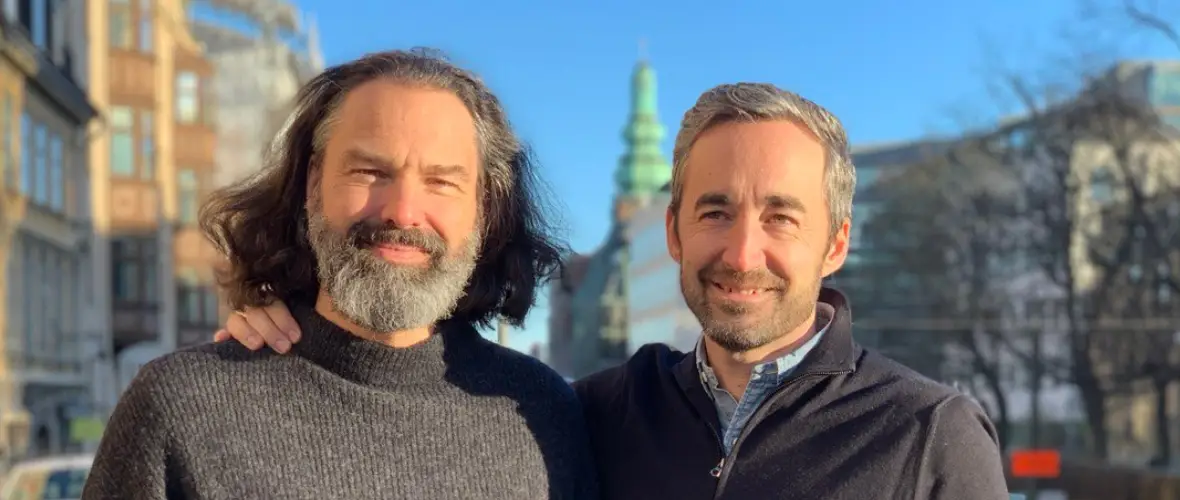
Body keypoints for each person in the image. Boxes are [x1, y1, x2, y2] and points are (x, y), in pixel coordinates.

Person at [214, 83, 1009, 499]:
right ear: (672, 234)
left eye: (782, 218)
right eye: (715, 211)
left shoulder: (928, 434)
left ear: (835, 242)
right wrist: (299, 321)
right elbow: (426, 369)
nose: (742, 250)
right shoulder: (590, 413)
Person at [82, 49, 597, 500]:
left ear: (485, 210)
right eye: (370, 172)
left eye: (441, 182)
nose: (402, 211)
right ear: (312, 183)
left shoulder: (542, 412)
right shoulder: (184, 408)